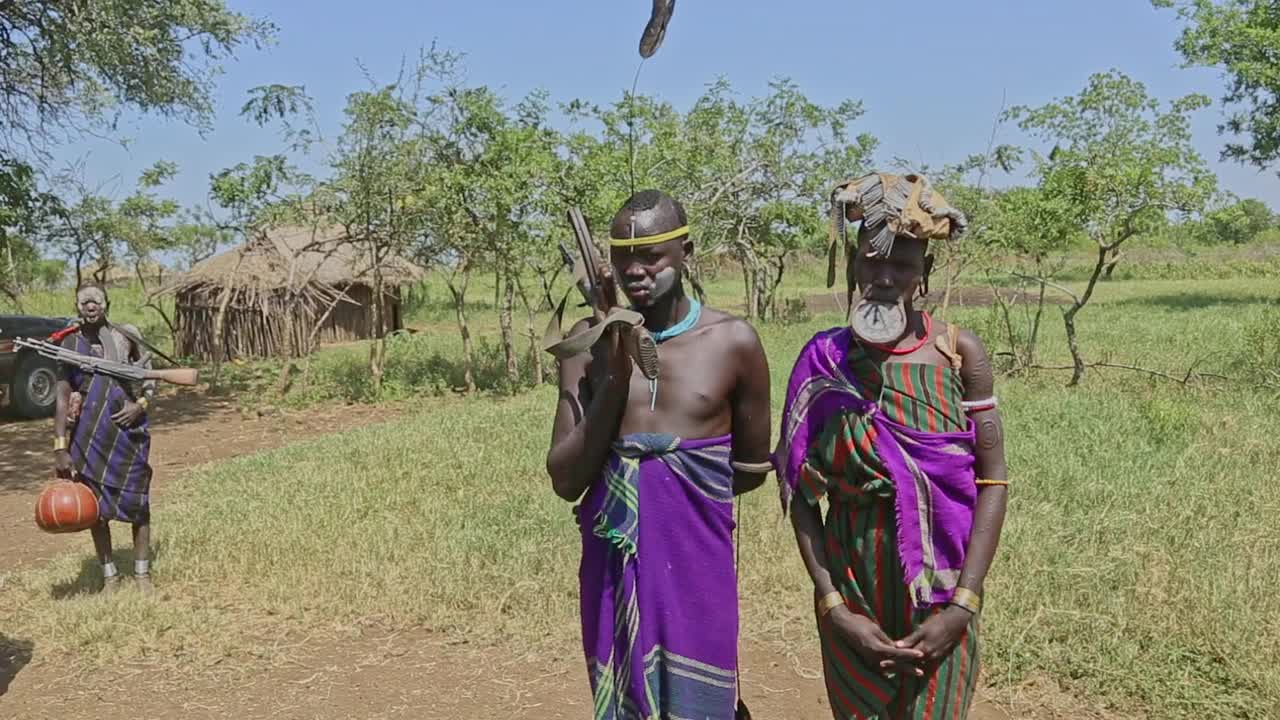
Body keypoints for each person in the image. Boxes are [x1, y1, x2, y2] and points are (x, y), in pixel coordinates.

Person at [774, 173, 1009, 720]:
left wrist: (962, 606)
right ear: (854, 266)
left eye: (901, 263)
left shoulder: (958, 353)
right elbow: (801, 495)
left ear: (923, 275)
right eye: (871, 260)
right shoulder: (823, 360)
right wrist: (835, 606)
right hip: (851, 582)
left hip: (944, 585)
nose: (884, 276)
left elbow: (993, 483)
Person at [546, 190, 772, 719]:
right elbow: (564, 478)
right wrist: (615, 375)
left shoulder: (733, 342)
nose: (635, 270)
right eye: (624, 256)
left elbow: (748, 469)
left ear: (685, 251)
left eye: (651, 256)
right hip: (612, 566)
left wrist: (673, 497)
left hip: (698, 562)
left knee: (704, 697)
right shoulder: (587, 343)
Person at [52, 284, 157, 594]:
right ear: (77, 307)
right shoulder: (68, 342)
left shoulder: (126, 336)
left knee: (139, 504)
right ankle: (109, 576)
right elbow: (61, 395)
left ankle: (142, 575)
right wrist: (60, 445)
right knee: (95, 509)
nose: (90, 305)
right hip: (87, 434)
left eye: (96, 300)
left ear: (107, 304)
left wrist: (140, 406)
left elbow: (151, 382)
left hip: (128, 432)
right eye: (84, 301)